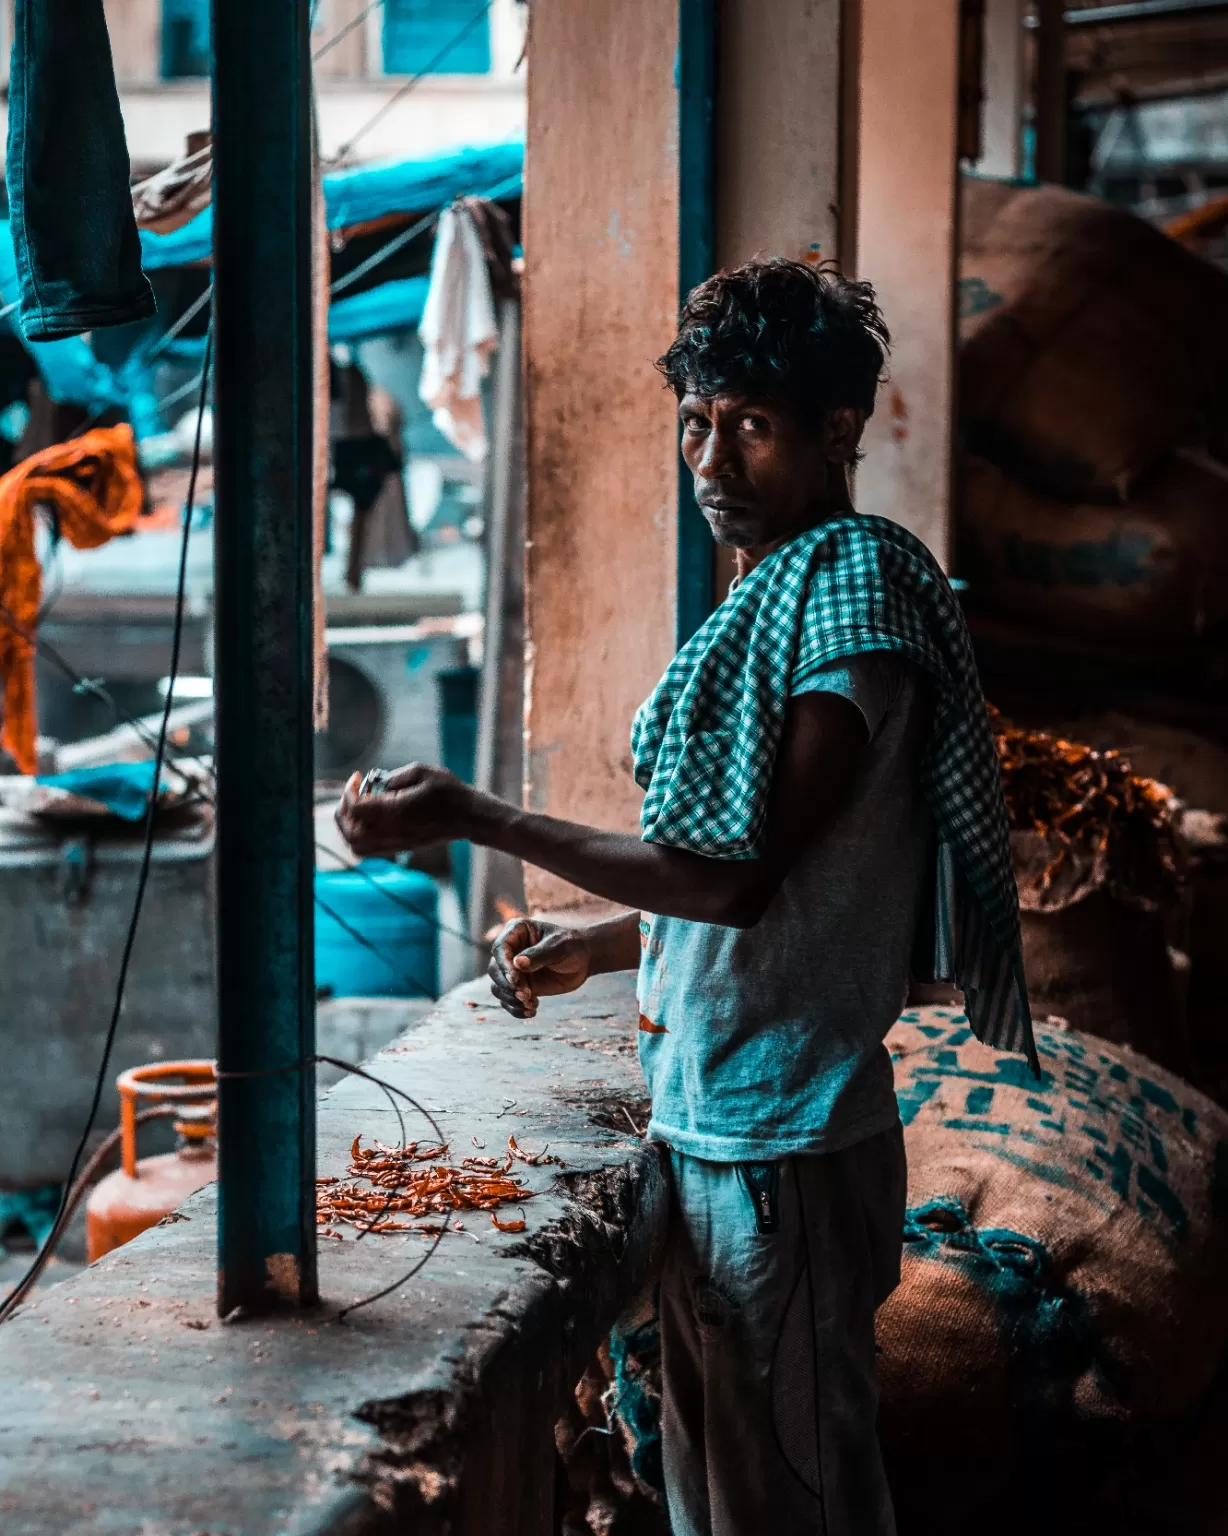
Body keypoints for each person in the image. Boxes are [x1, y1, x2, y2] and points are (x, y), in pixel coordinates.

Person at [335, 258, 1036, 1536]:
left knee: (790, 1504)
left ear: (838, 432)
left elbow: (742, 874)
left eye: (751, 425)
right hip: (731, 1126)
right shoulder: (790, 589)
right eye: (695, 421)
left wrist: (470, 813)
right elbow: (783, 888)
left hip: (785, 1144)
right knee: (730, 1495)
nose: (711, 456)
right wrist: (600, 946)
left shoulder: (853, 598)